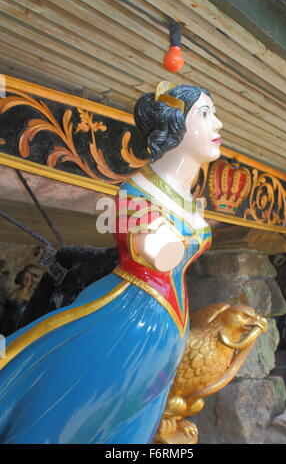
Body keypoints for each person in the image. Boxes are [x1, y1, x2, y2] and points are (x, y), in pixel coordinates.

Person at [0, 82, 223, 444]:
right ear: (175, 124)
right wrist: (154, 236)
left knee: (132, 428)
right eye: (205, 113)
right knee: (78, 422)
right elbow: (158, 250)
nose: (218, 124)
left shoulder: (186, 198)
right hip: (128, 322)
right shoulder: (135, 193)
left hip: (167, 329)